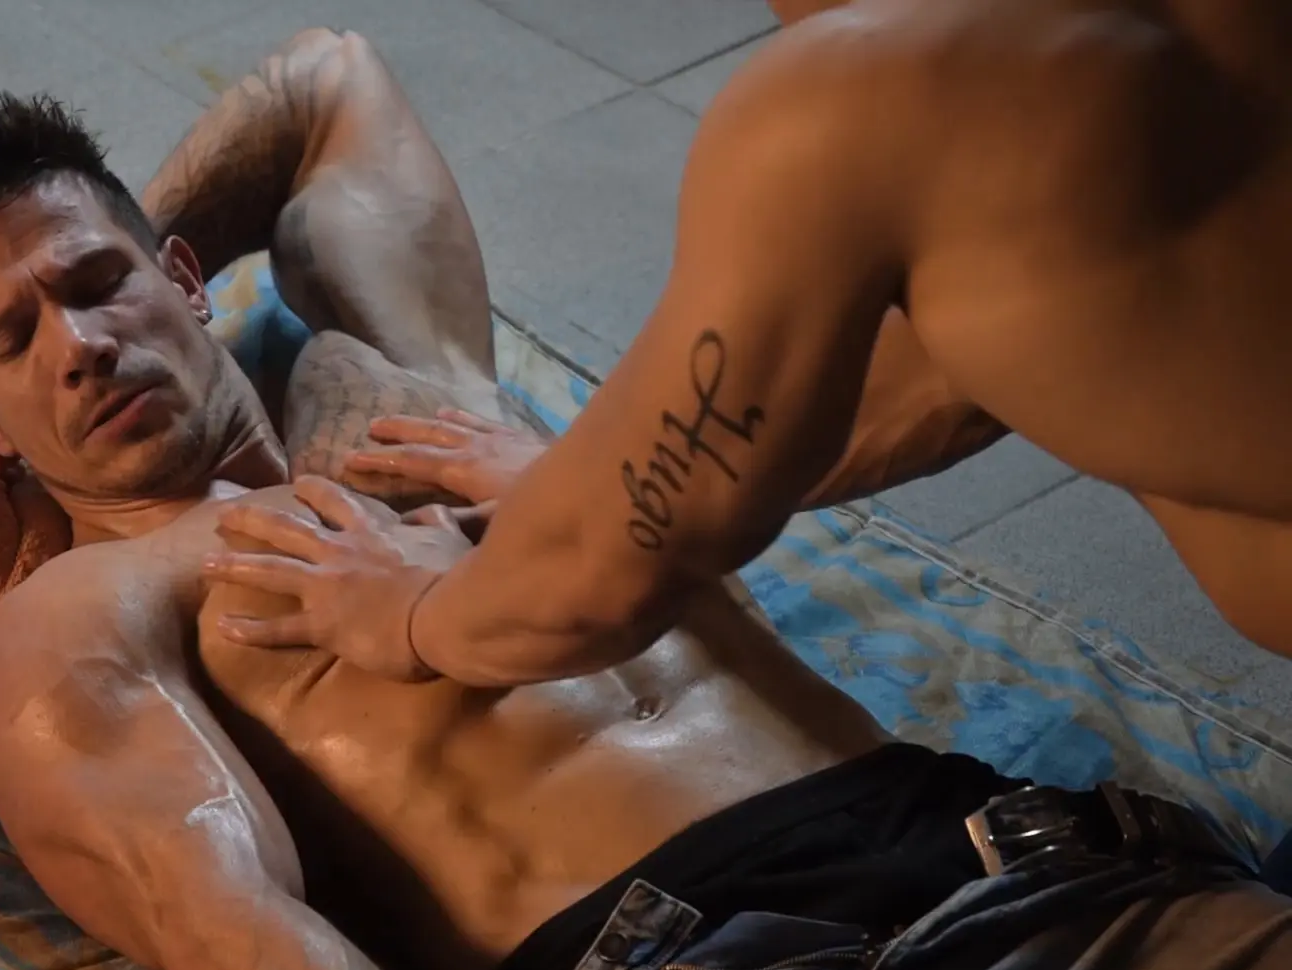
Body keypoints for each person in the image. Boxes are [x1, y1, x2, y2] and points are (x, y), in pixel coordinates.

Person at [0, 25, 1292, 970]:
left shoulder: (412, 393)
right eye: (14, 340)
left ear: (185, 276)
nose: (79, 343)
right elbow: (241, 942)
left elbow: (330, 87)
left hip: (1049, 911)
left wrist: (119, 241)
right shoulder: (80, 618)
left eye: (101, 284)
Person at [198, 0, 1292, 690]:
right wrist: (620, 474)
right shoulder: (1018, 102)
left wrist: (412, 613)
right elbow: (971, 348)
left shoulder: (858, 107)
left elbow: (593, 585)